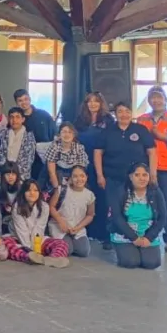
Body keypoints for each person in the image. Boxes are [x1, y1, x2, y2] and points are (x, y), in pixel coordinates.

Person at [93, 101, 157, 250]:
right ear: (115, 114)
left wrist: (152, 173)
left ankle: (136, 235)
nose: (124, 114)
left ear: (131, 113)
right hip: (112, 176)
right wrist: (100, 175)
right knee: (112, 208)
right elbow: (98, 153)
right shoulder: (107, 130)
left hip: (136, 180)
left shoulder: (140, 130)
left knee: (132, 207)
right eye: (120, 111)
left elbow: (152, 152)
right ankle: (110, 237)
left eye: (127, 111)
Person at [137, 86, 167, 252]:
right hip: (146, 167)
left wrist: (163, 136)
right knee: (145, 201)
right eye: (153, 98)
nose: (156, 101)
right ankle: (147, 235)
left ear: (166, 100)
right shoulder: (142, 119)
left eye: (159, 98)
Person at [74, 92, 116, 243]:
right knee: (85, 197)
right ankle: (87, 230)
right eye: (89, 102)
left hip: (102, 164)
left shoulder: (108, 120)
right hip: (83, 164)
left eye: (96, 101)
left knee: (102, 199)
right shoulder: (80, 120)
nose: (92, 104)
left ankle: (103, 233)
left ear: (101, 103)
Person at [109, 163, 167, 270]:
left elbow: (163, 217)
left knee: (152, 263)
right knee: (131, 262)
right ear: (130, 177)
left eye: (145, 175)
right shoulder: (121, 192)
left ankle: (141, 250)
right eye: (137, 175)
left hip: (147, 234)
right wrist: (133, 238)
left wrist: (149, 238)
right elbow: (117, 217)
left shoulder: (156, 192)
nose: (141, 178)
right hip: (126, 235)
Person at [3, 179, 70, 267]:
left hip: (37, 239)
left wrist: (36, 248)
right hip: (20, 239)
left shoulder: (44, 207)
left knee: (62, 243)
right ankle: (28, 257)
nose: (32, 193)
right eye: (28, 190)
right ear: (23, 193)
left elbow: (39, 228)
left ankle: (53, 259)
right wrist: (30, 250)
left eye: (35, 190)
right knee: (6, 244)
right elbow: (21, 231)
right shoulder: (17, 207)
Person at [48, 165, 95, 258]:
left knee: (84, 251)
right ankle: (58, 240)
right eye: (75, 176)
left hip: (77, 228)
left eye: (82, 176)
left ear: (86, 177)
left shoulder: (89, 195)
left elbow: (90, 215)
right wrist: (61, 222)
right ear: (70, 178)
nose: (79, 179)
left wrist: (78, 227)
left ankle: (70, 241)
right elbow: (51, 207)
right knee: (67, 250)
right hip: (60, 226)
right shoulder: (62, 190)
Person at [44, 123, 88, 200]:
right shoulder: (54, 147)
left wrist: (69, 187)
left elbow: (80, 169)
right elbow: (51, 171)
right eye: (64, 132)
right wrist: (57, 189)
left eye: (70, 132)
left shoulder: (79, 148)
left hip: (73, 173)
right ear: (59, 134)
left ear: (74, 135)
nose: (67, 134)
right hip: (56, 172)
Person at [0, 107, 36, 181]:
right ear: (8, 119)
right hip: (4, 172)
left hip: (22, 175)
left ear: (23, 119)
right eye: (12, 117)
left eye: (17, 117)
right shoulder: (2, 133)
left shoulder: (29, 136)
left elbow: (29, 159)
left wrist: (15, 173)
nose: (14, 120)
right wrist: (7, 170)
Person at [0, 162, 22, 235]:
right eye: (7, 174)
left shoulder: (23, 188)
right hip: (5, 220)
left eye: (13, 174)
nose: (10, 177)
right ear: (3, 176)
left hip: (20, 219)